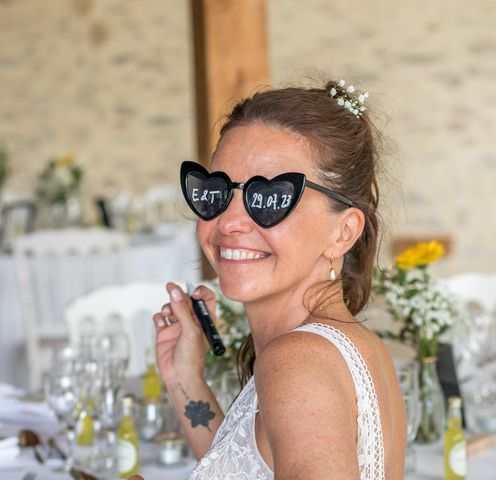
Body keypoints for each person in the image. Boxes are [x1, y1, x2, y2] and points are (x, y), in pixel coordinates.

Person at [151, 81, 406, 479]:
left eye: (269, 198)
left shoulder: (296, 362)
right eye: (217, 191)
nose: (230, 223)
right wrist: (184, 377)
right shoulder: (349, 345)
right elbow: (246, 466)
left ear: (344, 232)